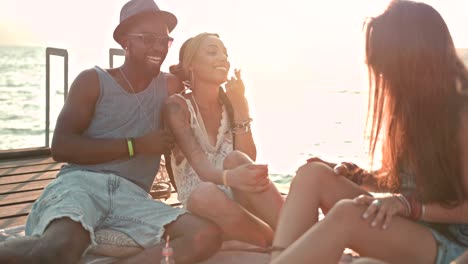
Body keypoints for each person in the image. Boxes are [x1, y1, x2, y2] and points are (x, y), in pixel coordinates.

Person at [0, 1, 223, 263]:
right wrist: (135, 146)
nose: (158, 48)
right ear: (125, 42)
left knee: (205, 235)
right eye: (147, 39)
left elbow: (202, 87)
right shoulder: (92, 81)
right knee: (59, 249)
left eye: (164, 40)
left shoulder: (169, 86)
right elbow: (61, 147)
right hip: (81, 186)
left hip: (132, 198)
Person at [270, 1, 468, 264]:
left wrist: (407, 206)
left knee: (346, 216)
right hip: (418, 227)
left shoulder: (461, 112)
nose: (380, 72)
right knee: (313, 175)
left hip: (453, 243)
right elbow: (411, 183)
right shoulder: (414, 109)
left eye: (385, 61)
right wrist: (360, 175)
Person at [164, 33, 284, 248]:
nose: (223, 59)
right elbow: (203, 171)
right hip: (205, 205)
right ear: (191, 64)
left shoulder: (230, 104)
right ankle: (280, 241)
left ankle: (292, 235)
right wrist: (232, 178)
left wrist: (240, 107)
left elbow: (249, 157)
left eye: (225, 54)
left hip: (240, 199)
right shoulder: (177, 107)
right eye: (212, 52)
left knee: (237, 158)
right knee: (205, 193)